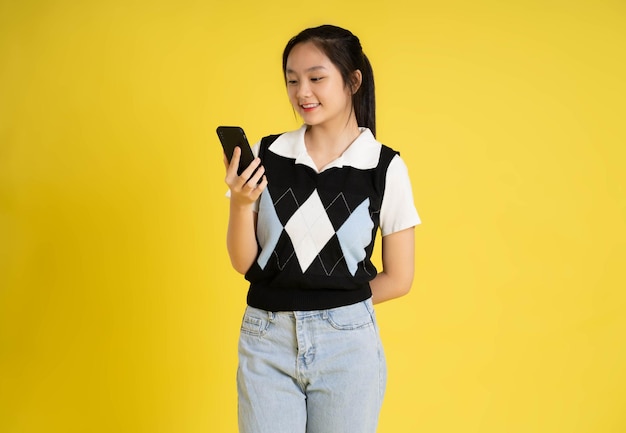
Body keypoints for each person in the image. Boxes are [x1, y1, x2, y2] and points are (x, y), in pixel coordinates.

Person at [223, 24, 421, 433]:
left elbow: (400, 278)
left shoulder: (384, 167)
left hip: (347, 346)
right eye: (292, 81)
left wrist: (335, 308)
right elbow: (245, 262)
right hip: (266, 338)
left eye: (316, 78)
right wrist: (242, 205)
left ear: (353, 81)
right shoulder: (268, 154)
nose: (302, 93)